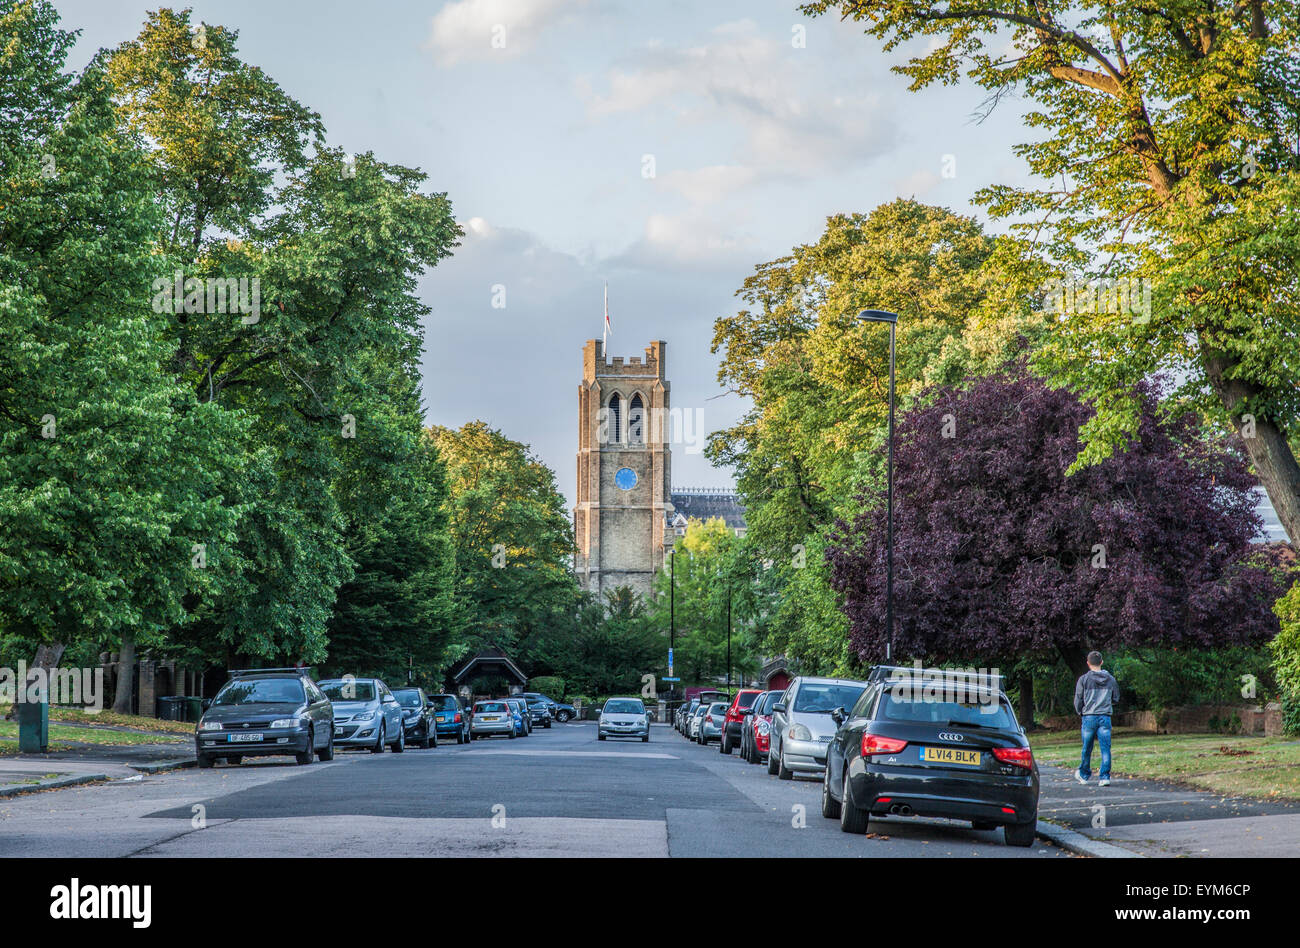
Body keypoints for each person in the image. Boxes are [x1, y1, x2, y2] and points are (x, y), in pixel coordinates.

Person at [1074, 651, 1120, 786]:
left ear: (1088, 663)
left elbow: (1078, 700)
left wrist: (1080, 712)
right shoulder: (1110, 679)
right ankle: (1105, 777)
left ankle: (1084, 774)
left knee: (1087, 747)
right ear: (1101, 662)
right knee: (1105, 748)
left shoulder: (1083, 680)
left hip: (1089, 717)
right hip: (1105, 717)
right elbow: (1116, 698)